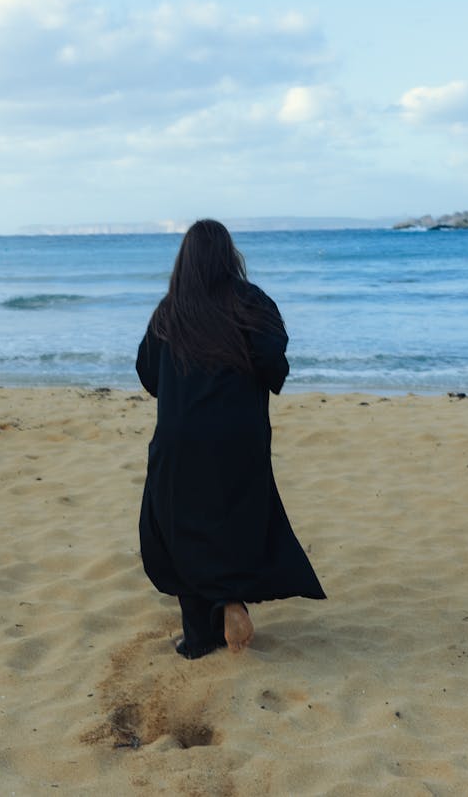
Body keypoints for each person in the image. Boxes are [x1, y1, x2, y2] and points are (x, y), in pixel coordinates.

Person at [136, 219, 326, 660]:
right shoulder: (250, 301)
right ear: (229, 256)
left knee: (178, 525)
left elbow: (149, 374)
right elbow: (274, 362)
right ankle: (230, 600)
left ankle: (201, 636)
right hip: (239, 437)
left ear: (185, 260)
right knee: (235, 519)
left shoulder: (170, 310)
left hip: (180, 437)